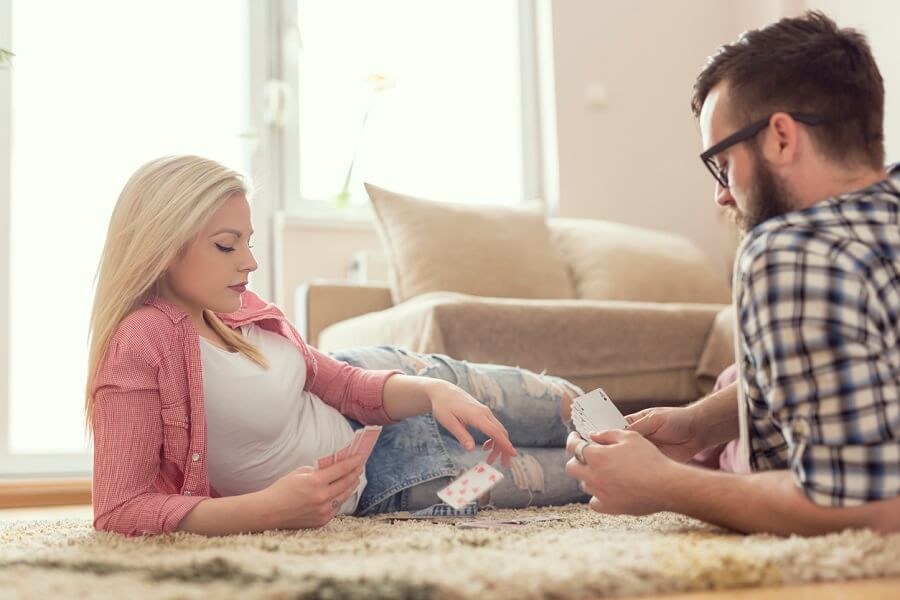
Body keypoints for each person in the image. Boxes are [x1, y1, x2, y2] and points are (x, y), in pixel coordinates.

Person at [88, 155, 587, 536]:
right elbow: (119, 508)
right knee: (583, 474)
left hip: (395, 382)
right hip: (397, 486)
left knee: (568, 408)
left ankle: (660, 435)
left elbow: (339, 382)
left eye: (248, 242)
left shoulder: (234, 307)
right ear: (161, 243)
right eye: (226, 245)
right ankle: (658, 464)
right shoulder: (140, 341)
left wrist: (431, 391)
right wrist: (267, 511)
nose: (249, 263)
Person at [565, 11, 900, 535]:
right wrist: (698, 424)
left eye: (722, 165)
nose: (721, 194)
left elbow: (870, 511)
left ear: (781, 137)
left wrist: (663, 485)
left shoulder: (792, 249)